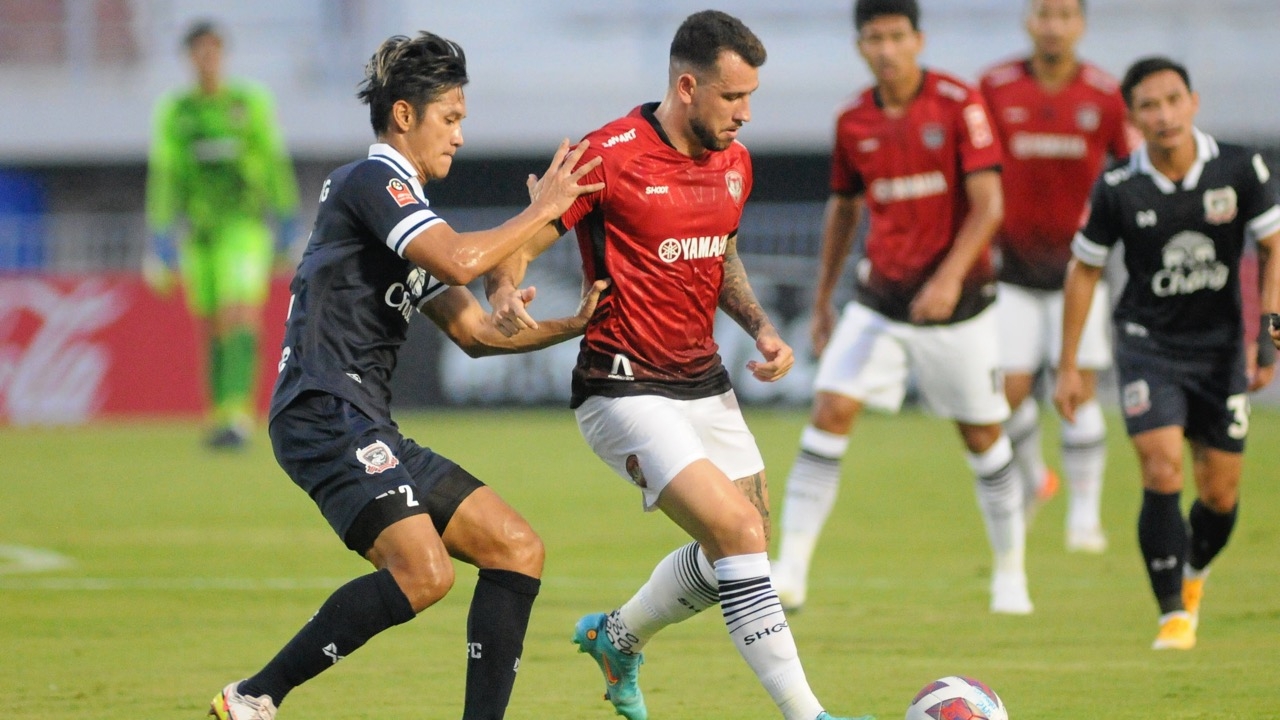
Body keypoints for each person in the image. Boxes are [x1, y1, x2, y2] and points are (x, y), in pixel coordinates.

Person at [208, 31, 607, 720]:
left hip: (365, 419)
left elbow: (475, 333)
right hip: (322, 406)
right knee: (424, 572)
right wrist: (545, 210)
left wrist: (572, 325)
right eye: (449, 117)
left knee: (516, 548)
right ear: (403, 115)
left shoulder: (406, 215)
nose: (459, 136)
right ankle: (253, 696)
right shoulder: (371, 183)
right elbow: (458, 261)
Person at [486, 10, 871, 720]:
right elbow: (521, 242)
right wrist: (505, 290)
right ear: (688, 86)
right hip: (621, 385)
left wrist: (761, 328)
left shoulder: (735, 162)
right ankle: (810, 716)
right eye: (733, 97)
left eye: (751, 97)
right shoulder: (608, 155)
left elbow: (720, 253)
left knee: (743, 549)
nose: (745, 114)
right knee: (739, 536)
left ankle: (616, 638)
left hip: (703, 381)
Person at [769, 0, 1029, 615]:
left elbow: (990, 205)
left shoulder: (959, 103)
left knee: (982, 434)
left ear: (918, 39)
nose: (886, 49)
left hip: (959, 307)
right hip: (880, 301)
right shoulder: (852, 119)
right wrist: (824, 301)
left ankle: (1011, 574)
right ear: (860, 46)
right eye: (874, 38)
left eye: (895, 36)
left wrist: (948, 279)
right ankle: (790, 572)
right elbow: (845, 208)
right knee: (830, 410)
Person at [1054, 56, 1280, 650]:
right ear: (1132, 118)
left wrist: (1267, 335)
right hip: (1147, 346)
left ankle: (1195, 572)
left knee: (1220, 495)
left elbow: (1273, 248)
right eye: (1149, 106)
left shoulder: (1240, 168)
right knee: (1161, 468)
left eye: (1173, 100)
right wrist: (1069, 364)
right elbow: (1085, 271)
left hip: (1220, 351)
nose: (1164, 114)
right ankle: (1172, 615)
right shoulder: (1117, 187)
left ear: (1193, 102)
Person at [978, 0, 1133, 553]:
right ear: (1029, 20)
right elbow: (974, 168)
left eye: (1065, 15)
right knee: (1006, 397)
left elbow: (1130, 172)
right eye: (1045, 14)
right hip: (1011, 270)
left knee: (1076, 392)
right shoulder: (995, 87)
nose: (1054, 25)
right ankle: (1035, 480)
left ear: (1081, 24)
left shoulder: (1105, 93)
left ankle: (1084, 519)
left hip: (1080, 271)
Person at [145, 20, 301, 450]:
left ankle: (238, 413)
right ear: (189, 59)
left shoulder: (248, 103)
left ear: (223, 55)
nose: (207, 59)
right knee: (214, 323)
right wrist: (161, 235)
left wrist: (286, 219)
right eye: (199, 52)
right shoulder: (177, 112)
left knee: (239, 312)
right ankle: (219, 414)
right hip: (200, 234)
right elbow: (166, 174)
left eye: (213, 50)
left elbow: (273, 161)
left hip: (244, 228)